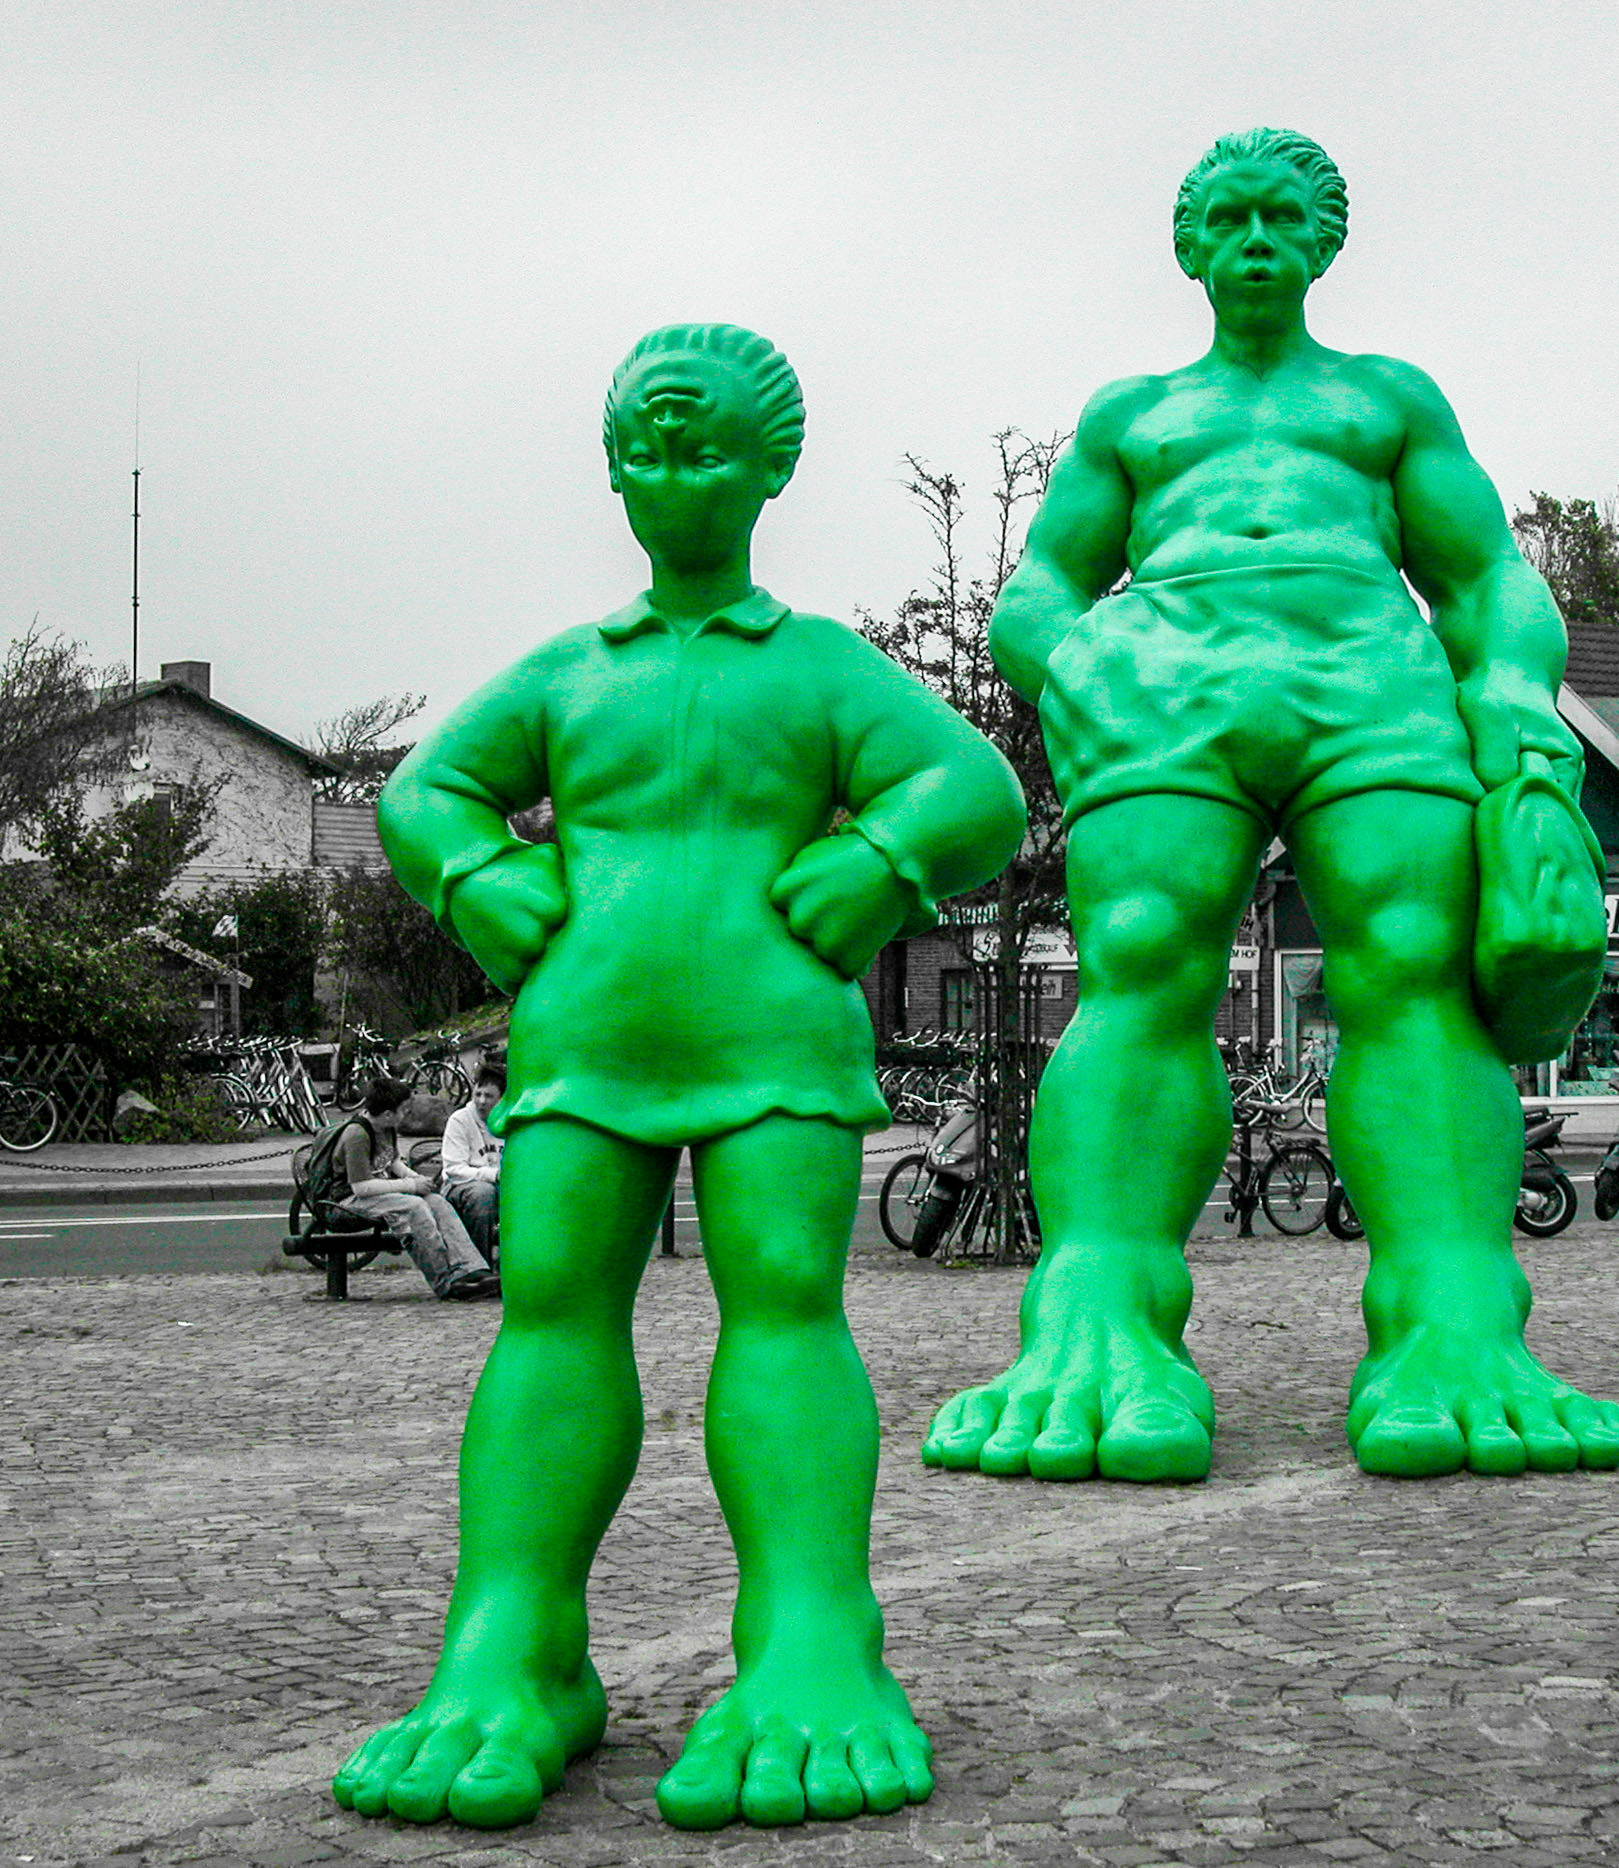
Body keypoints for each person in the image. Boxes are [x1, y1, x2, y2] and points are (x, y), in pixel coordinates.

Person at [333, 323, 1025, 1833]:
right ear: (610, 468)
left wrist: (881, 858)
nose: (671, 469)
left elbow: (975, 786)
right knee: (549, 1313)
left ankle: (811, 1635)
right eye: (644, 444)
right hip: (586, 1041)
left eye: (704, 442)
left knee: (784, 1308)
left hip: (778, 1041)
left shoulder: (821, 664)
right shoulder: (570, 672)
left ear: (772, 468)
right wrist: (473, 876)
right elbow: (421, 787)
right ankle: (514, 1639)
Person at [923, 129, 1619, 1487]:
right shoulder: (1133, 415)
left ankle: (1452, 1317)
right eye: (1229, 218)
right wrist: (1075, 665)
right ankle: (1094, 1314)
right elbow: (1039, 587)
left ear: (1322, 243)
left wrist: (1512, 691)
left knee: (1413, 966)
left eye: (1281, 217)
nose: (1255, 237)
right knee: (1137, 959)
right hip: (1164, 688)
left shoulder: (1386, 399)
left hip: (1370, 684)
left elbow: (1486, 573)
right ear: (1190, 247)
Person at [335, 1077, 499, 1302]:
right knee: (414, 1207)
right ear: (388, 1114)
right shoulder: (357, 1134)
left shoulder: (386, 1128)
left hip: (376, 1193)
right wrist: (410, 1186)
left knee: (436, 1201)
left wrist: (416, 1179)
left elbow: (393, 1163)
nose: (407, 1114)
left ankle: (471, 1269)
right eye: (404, 1110)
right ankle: (446, 1283)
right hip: (346, 1200)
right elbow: (361, 1187)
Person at [440, 1065, 505, 1260]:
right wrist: (493, 1175)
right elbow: (454, 1170)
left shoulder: (510, 1123)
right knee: (482, 1194)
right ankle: (477, 1266)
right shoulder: (460, 1120)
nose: (481, 1101)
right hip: (460, 1187)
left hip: (503, 1187)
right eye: (478, 1094)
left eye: (489, 1096)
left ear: (502, 1098)